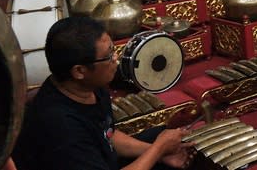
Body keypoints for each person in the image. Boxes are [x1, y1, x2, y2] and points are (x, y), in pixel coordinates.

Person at [12, 17, 194, 170]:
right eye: (108, 56)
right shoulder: (61, 126)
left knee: (163, 137)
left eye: (113, 51)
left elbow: (108, 135)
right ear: (79, 71)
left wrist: (158, 152)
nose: (115, 59)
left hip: (99, 156)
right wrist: (158, 149)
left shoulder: (88, 85)